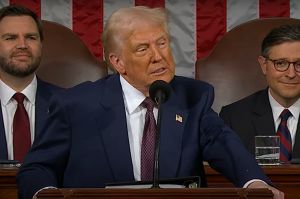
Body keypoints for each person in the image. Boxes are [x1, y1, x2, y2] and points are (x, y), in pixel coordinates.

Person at [17, 6, 283, 199]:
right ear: (118, 62)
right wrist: (46, 193)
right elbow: (37, 168)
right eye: (143, 49)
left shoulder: (193, 97)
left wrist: (255, 182)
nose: (159, 57)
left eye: (163, 43)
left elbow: (226, 146)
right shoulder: (76, 104)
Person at [220, 25, 300, 161]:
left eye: (299, 64)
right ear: (264, 65)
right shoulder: (233, 118)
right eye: (280, 63)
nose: (291, 74)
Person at [0, 5, 62, 162]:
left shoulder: (66, 103)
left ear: (41, 44)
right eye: (10, 38)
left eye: (31, 37)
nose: (22, 45)